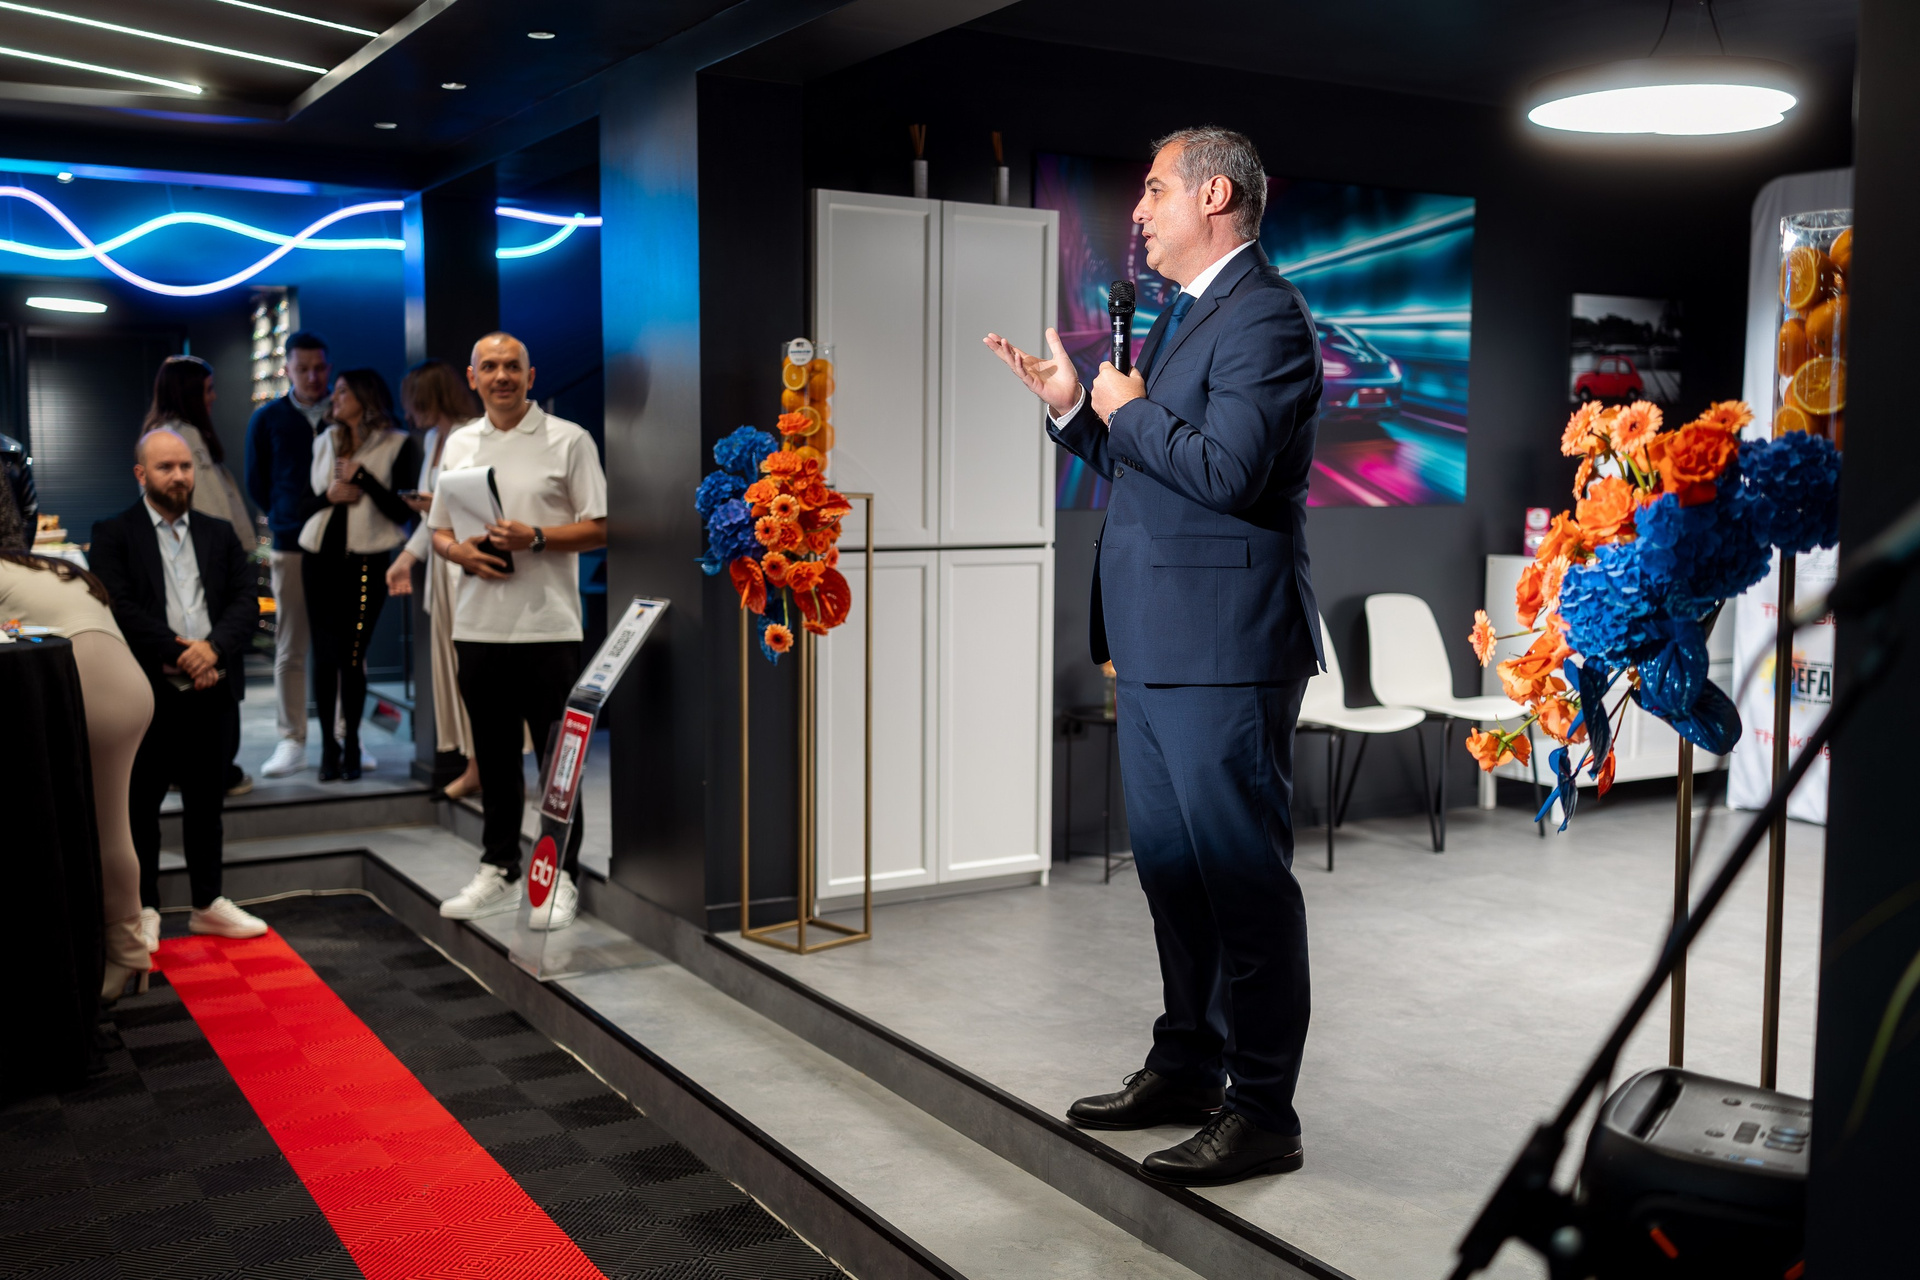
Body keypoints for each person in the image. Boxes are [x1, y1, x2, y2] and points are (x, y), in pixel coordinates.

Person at [984, 127, 1324, 1187]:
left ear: (1214, 195)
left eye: (1154, 189)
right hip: (1157, 640)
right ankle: (1186, 1067)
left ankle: (1262, 1111)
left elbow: (1227, 472)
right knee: (1176, 879)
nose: (1137, 211)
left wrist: (1124, 409)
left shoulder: (1265, 315)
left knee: (1242, 885)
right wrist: (1074, 412)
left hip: (1225, 645)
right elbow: (1156, 467)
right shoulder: (1186, 311)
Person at [429, 333, 607, 932]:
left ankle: (559, 876)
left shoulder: (569, 439)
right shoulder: (459, 442)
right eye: (490, 367)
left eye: (512, 367)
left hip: (548, 630)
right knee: (494, 758)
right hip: (477, 628)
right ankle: (500, 868)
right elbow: (439, 530)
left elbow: (601, 526)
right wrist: (458, 552)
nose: (501, 376)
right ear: (473, 377)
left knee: (559, 766)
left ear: (531, 377)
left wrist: (537, 537)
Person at [91, 429, 266, 943]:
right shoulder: (113, 533)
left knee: (207, 804)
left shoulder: (219, 533)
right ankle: (143, 908)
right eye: (166, 467)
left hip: (211, 687)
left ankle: (208, 903)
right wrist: (182, 653)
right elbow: (119, 606)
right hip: (147, 691)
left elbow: (245, 603)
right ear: (141, 474)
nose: (179, 476)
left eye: (185, 466)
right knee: (141, 804)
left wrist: (211, 650)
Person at [0, 546, 154, 999]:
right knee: (104, 825)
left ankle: (127, 953)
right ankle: (119, 949)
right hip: (126, 684)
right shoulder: (43, 566)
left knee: (107, 830)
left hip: (98, 692)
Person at [297, 369, 420, 781]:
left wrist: (362, 476)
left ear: (366, 397)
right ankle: (327, 750)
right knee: (323, 656)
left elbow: (402, 512)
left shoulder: (397, 443)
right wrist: (329, 495)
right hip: (318, 557)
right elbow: (302, 504)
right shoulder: (323, 441)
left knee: (352, 656)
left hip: (367, 560)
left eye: (343, 392)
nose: (334, 398)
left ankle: (351, 744)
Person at [144, 355, 256, 797]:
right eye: (208, 389)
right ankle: (211, 769)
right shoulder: (183, 439)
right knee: (212, 675)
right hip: (207, 576)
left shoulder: (165, 436)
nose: (213, 398)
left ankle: (197, 767)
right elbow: (214, 515)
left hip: (193, 573)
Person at [386, 360, 484, 798]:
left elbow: (481, 506)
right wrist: (407, 558)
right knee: (453, 669)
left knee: (474, 669)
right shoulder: (433, 439)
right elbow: (437, 515)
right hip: (443, 567)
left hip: (467, 563)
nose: (410, 412)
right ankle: (474, 764)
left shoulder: (473, 435)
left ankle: (486, 764)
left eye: (415, 402)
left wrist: (435, 507)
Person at [245, 331, 337, 779]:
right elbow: (257, 482)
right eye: (304, 369)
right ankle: (292, 739)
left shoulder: (345, 412)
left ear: (328, 367)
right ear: (288, 370)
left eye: (319, 368)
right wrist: (287, 517)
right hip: (290, 544)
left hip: (341, 546)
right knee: (291, 646)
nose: (313, 377)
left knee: (341, 646)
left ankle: (344, 736)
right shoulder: (268, 419)